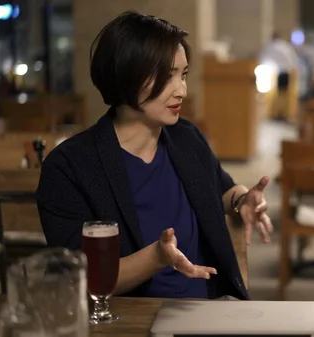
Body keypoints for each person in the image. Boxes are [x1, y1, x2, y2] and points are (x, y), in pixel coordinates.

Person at [36, 11, 273, 300]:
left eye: (183, 75)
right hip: (130, 321)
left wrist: (241, 199)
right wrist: (156, 257)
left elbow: (219, 187)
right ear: (125, 74)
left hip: (210, 312)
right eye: (166, 75)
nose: (182, 90)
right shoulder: (68, 168)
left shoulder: (186, 137)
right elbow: (81, 279)